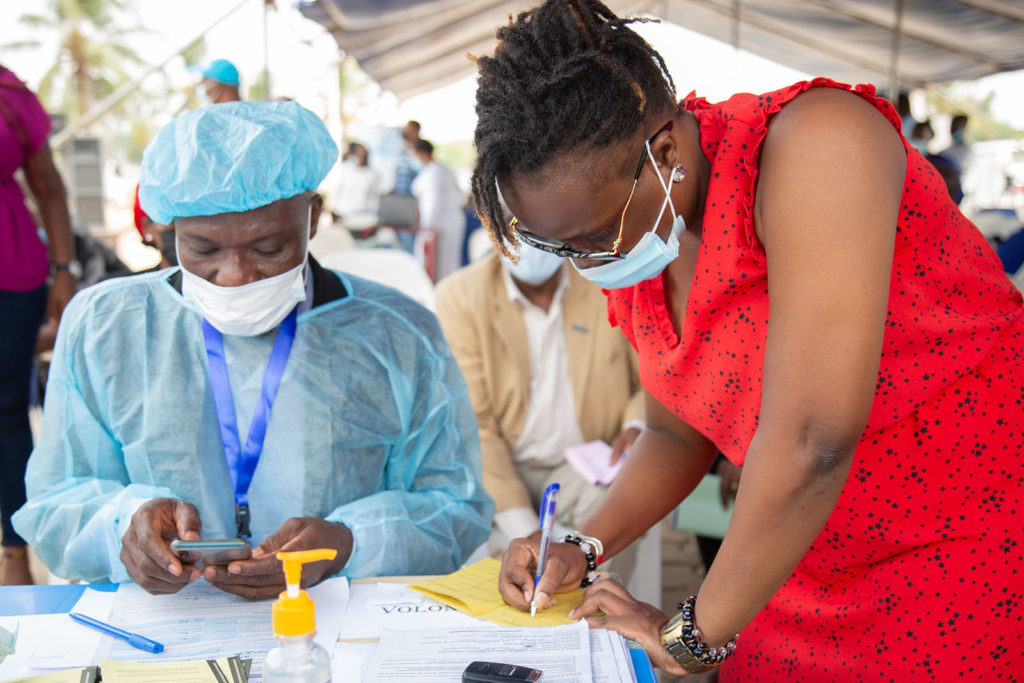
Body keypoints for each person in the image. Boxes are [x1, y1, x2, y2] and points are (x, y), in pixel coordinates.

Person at [470, 1, 1024, 679]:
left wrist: (686, 634)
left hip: (957, 557)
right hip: (780, 565)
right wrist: (580, 547)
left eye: (592, 237)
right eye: (558, 245)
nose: (584, 263)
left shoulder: (821, 145)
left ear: (665, 152)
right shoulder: (640, 228)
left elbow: (814, 438)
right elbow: (676, 437)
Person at [12, 100, 492, 597]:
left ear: (313, 218)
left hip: (337, 624)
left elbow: (453, 506)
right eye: (203, 249)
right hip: (170, 628)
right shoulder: (106, 326)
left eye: (268, 249)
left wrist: (349, 542)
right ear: (168, 231)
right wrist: (123, 526)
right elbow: (55, 502)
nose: (236, 276)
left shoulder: (397, 332)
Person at [435, 244, 644, 581]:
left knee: (628, 494)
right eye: (514, 228)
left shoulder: (607, 282)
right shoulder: (460, 296)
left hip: (581, 463)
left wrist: (636, 425)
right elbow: (474, 426)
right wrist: (529, 532)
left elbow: (649, 377)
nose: (530, 243)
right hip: (496, 471)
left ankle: (598, 616)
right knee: (517, 565)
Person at [0, 65, 77, 586]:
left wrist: (65, 270)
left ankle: (14, 553)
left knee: (6, 412)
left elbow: (48, 186)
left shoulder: (9, 96)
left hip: (12, 269)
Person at [411, 139, 467, 280]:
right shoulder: (440, 169)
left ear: (422, 153)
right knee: (445, 265)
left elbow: (432, 204)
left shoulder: (434, 174)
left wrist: (428, 228)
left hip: (439, 225)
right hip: (447, 222)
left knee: (443, 267)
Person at [332, 142, 381, 225]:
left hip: (365, 217)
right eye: (358, 152)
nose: (360, 155)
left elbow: (375, 198)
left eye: (362, 152)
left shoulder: (373, 174)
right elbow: (339, 191)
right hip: (343, 215)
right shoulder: (345, 170)